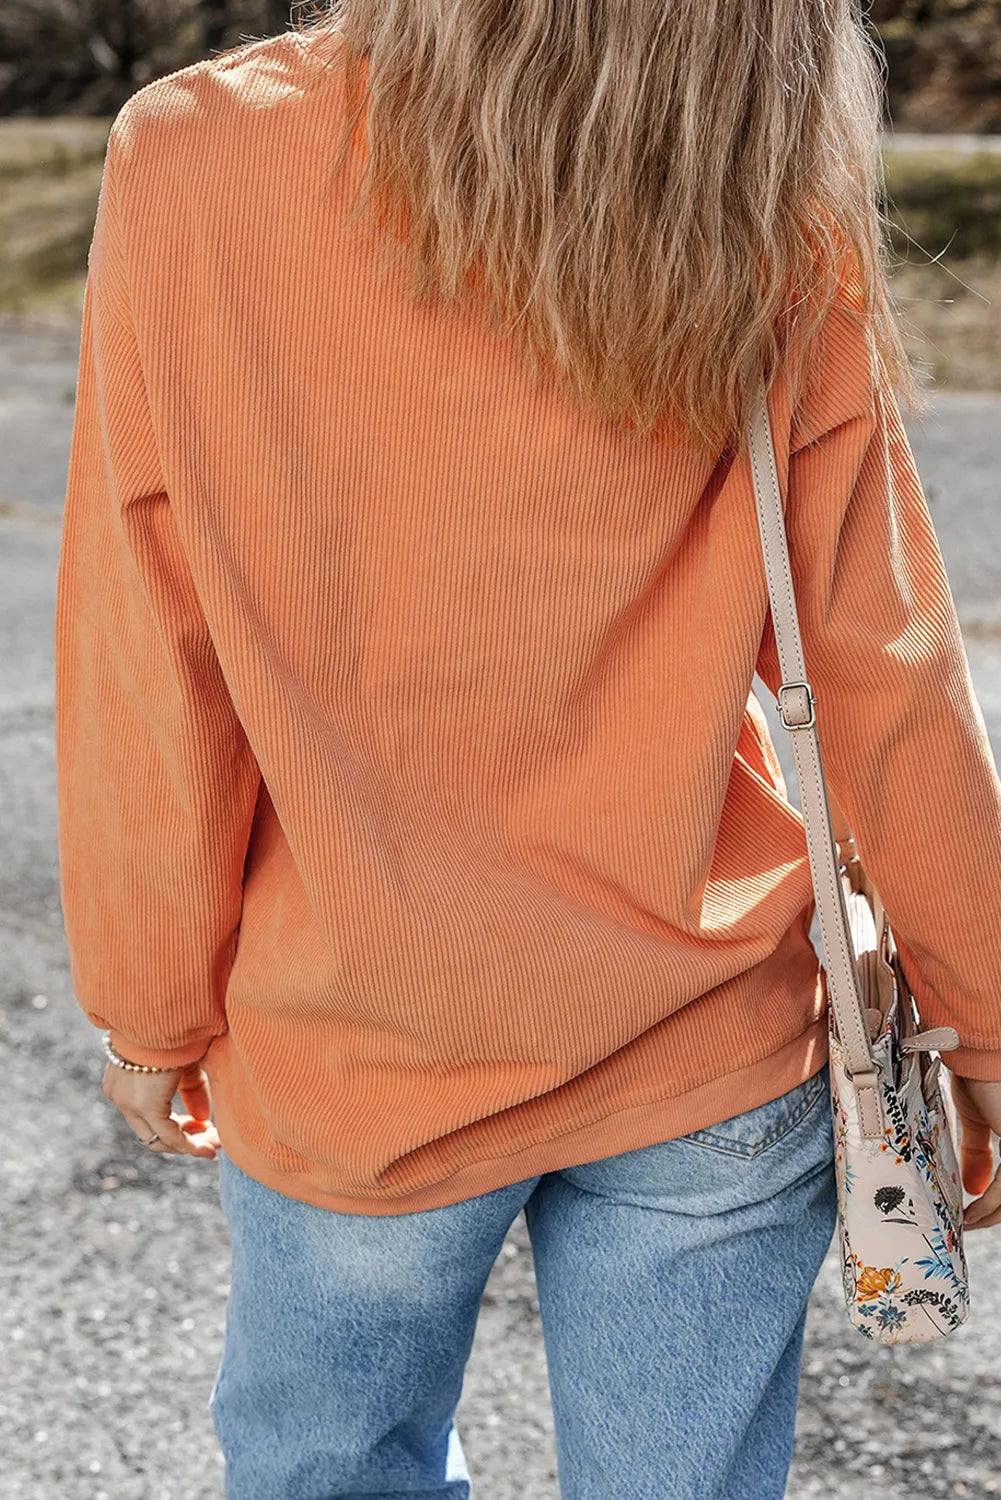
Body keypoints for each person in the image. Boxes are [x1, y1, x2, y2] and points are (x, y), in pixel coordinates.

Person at [54, 2, 1001, 1496]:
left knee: (327, 1468)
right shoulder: (741, 173)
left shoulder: (198, 157)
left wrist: (150, 999)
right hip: (709, 1043)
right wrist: (982, 1017)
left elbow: (151, 639)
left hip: (359, 1035)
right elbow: (879, 661)